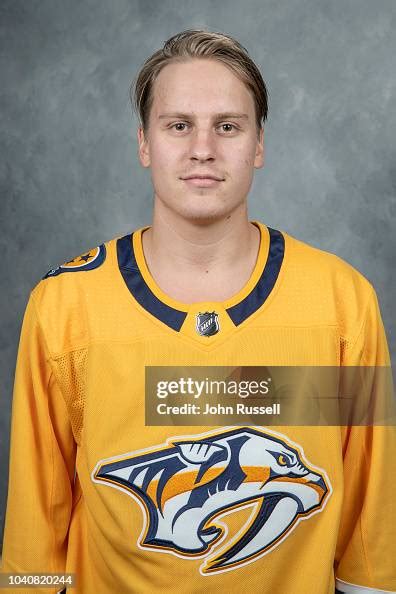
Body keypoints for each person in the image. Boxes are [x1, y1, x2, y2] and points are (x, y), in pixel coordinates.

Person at [1, 28, 395, 594]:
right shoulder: (66, 306)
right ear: (144, 143)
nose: (202, 148)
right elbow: (36, 527)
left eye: (228, 126)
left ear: (259, 145)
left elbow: (368, 525)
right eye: (178, 125)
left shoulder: (341, 301)